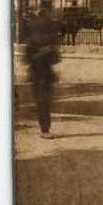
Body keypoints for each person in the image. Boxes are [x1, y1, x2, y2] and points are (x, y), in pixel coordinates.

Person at [24, 11, 61, 139]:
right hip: (37, 74)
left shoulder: (46, 42)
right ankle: (44, 130)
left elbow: (56, 59)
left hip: (46, 74)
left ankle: (45, 128)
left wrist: (52, 51)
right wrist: (45, 52)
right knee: (42, 102)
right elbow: (28, 58)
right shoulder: (32, 43)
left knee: (46, 102)